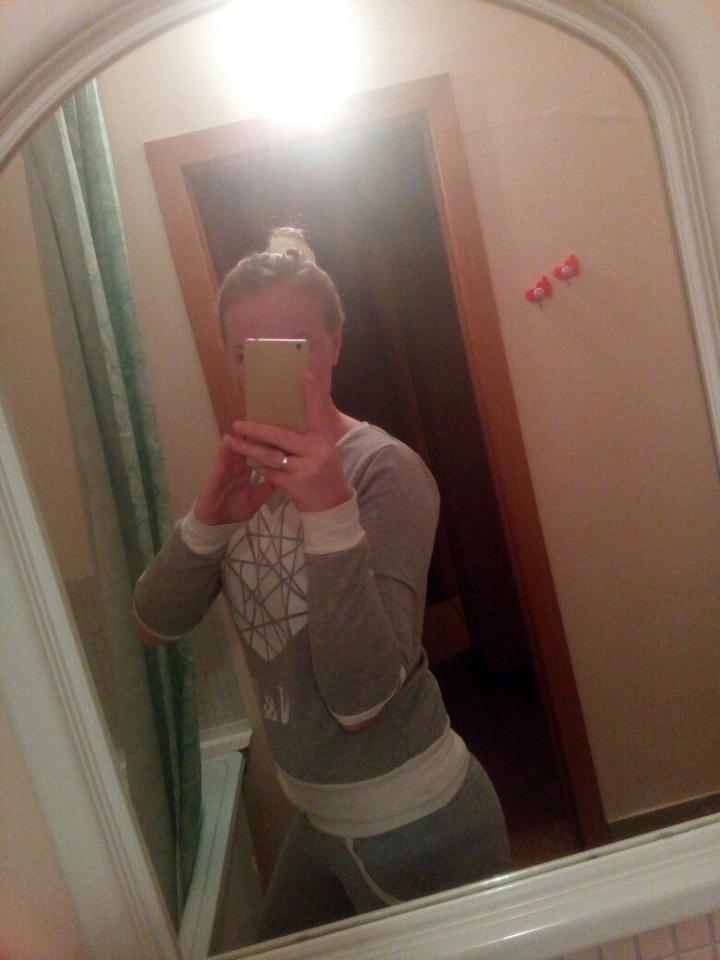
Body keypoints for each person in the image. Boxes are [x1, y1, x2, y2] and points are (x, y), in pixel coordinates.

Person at [134, 227, 511, 941]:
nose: (276, 368)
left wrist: (331, 514)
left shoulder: (384, 471)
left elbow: (363, 700)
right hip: (318, 817)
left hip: (416, 821)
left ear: (335, 343)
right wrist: (209, 518)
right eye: (249, 354)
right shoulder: (243, 478)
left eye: (298, 346)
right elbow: (154, 622)